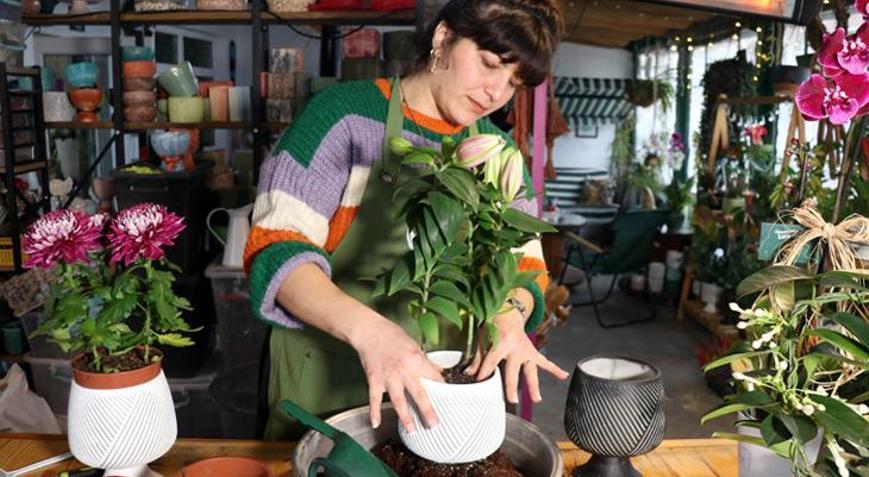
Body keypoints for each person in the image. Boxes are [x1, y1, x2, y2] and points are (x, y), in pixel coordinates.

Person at [244, 0, 568, 441]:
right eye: (489, 64)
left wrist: (510, 317)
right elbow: (277, 251)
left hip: (441, 393)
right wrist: (376, 336)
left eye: (513, 82)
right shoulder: (344, 117)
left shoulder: (498, 154)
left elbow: (526, 270)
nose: (496, 93)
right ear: (443, 38)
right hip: (329, 380)